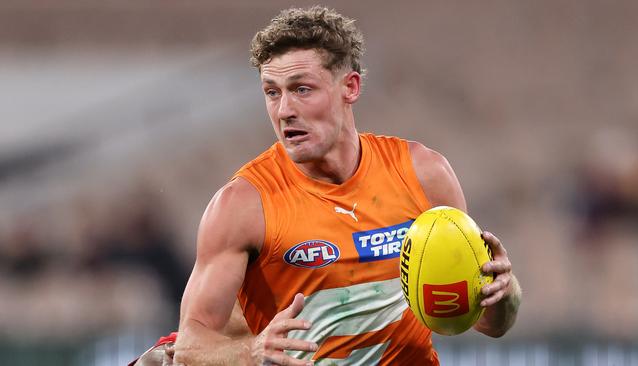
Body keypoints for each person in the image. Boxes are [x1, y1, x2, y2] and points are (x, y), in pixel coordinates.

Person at [135, 5, 522, 365]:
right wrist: (252, 351)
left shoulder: (424, 174)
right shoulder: (243, 205)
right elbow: (189, 346)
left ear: (350, 87)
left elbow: (487, 322)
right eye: (272, 92)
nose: (285, 110)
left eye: (302, 89)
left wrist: (504, 296)